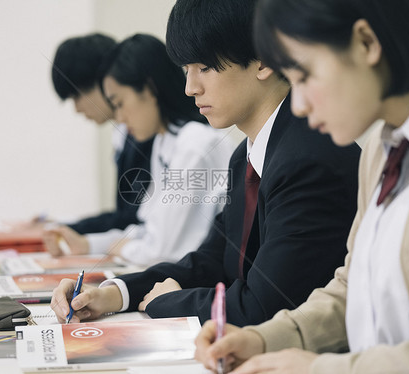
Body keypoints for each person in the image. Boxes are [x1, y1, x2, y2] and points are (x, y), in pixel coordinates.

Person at [50, 0, 360, 327]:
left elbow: (263, 305)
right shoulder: (247, 156)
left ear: (264, 61)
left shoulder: (308, 157)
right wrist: (113, 293)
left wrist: (168, 302)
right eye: (186, 70)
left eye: (205, 68)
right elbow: (211, 261)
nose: (190, 88)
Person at [194, 0, 409, 373]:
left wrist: (320, 368)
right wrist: (266, 339)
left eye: (303, 76)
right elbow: (355, 286)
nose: (297, 106)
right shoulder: (384, 150)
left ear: (365, 43)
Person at [45, 33, 235, 267]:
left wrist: (118, 247)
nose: (120, 118)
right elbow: (146, 229)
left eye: (120, 103)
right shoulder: (166, 142)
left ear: (149, 89)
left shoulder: (194, 144)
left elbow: (160, 251)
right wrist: (89, 244)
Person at [47, 34, 154, 236]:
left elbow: (135, 217)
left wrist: (72, 229)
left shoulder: (151, 132)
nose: (77, 109)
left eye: (77, 95)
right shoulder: (124, 132)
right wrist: (62, 225)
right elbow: (126, 213)